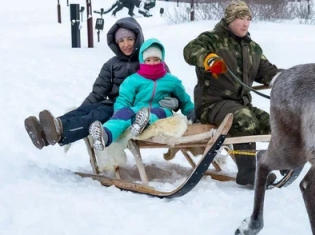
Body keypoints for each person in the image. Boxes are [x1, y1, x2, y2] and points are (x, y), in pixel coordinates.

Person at [183, 0, 280, 186]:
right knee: (245, 119)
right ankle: (248, 171)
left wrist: (290, 80)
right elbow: (190, 51)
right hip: (212, 104)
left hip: (241, 103)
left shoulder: (252, 48)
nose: (245, 23)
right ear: (229, 20)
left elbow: (267, 71)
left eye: (248, 18)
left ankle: (277, 162)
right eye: (240, 18)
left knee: (274, 123)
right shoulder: (212, 39)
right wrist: (208, 59)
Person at [24, 17, 146, 148]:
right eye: (121, 40)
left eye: (130, 39)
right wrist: (83, 108)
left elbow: (166, 83)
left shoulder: (148, 60)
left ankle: (59, 131)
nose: (125, 44)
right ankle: (45, 132)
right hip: (112, 103)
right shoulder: (111, 64)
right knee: (85, 111)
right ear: (116, 43)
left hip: (130, 109)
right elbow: (98, 91)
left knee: (96, 115)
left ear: (137, 39)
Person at [89, 38, 194, 149]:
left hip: (161, 111)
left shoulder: (171, 81)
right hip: (138, 110)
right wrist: (120, 112)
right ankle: (104, 135)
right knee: (124, 115)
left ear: (162, 60)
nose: (152, 63)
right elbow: (123, 99)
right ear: (142, 61)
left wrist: (191, 112)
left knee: (159, 112)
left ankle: (142, 123)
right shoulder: (133, 80)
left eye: (156, 59)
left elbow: (184, 100)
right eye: (148, 60)